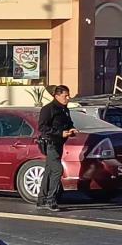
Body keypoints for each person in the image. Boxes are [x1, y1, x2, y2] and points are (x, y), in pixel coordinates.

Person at [37, 83, 76, 211]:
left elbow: (69, 123)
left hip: (60, 143)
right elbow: (42, 127)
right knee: (57, 170)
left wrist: (71, 129)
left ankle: (41, 200)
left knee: (49, 170)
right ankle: (50, 200)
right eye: (65, 96)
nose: (68, 98)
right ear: (57, 95)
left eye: (68, 96)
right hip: (50, 143)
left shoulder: (65, 109)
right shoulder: (48, 109)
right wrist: (59, 133)